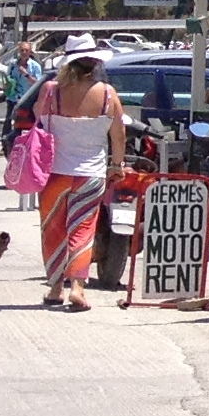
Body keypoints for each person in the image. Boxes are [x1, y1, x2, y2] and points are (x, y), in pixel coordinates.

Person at [37, 46, 124, 312]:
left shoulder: (51, 91)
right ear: (96, 65)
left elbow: (40, 120)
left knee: (53, 230)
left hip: (55, 173)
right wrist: (117, 165)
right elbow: (118, 136)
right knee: (83, 231)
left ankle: (54, 288)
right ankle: (77, 288)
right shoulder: (109, 95)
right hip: (90, 174)